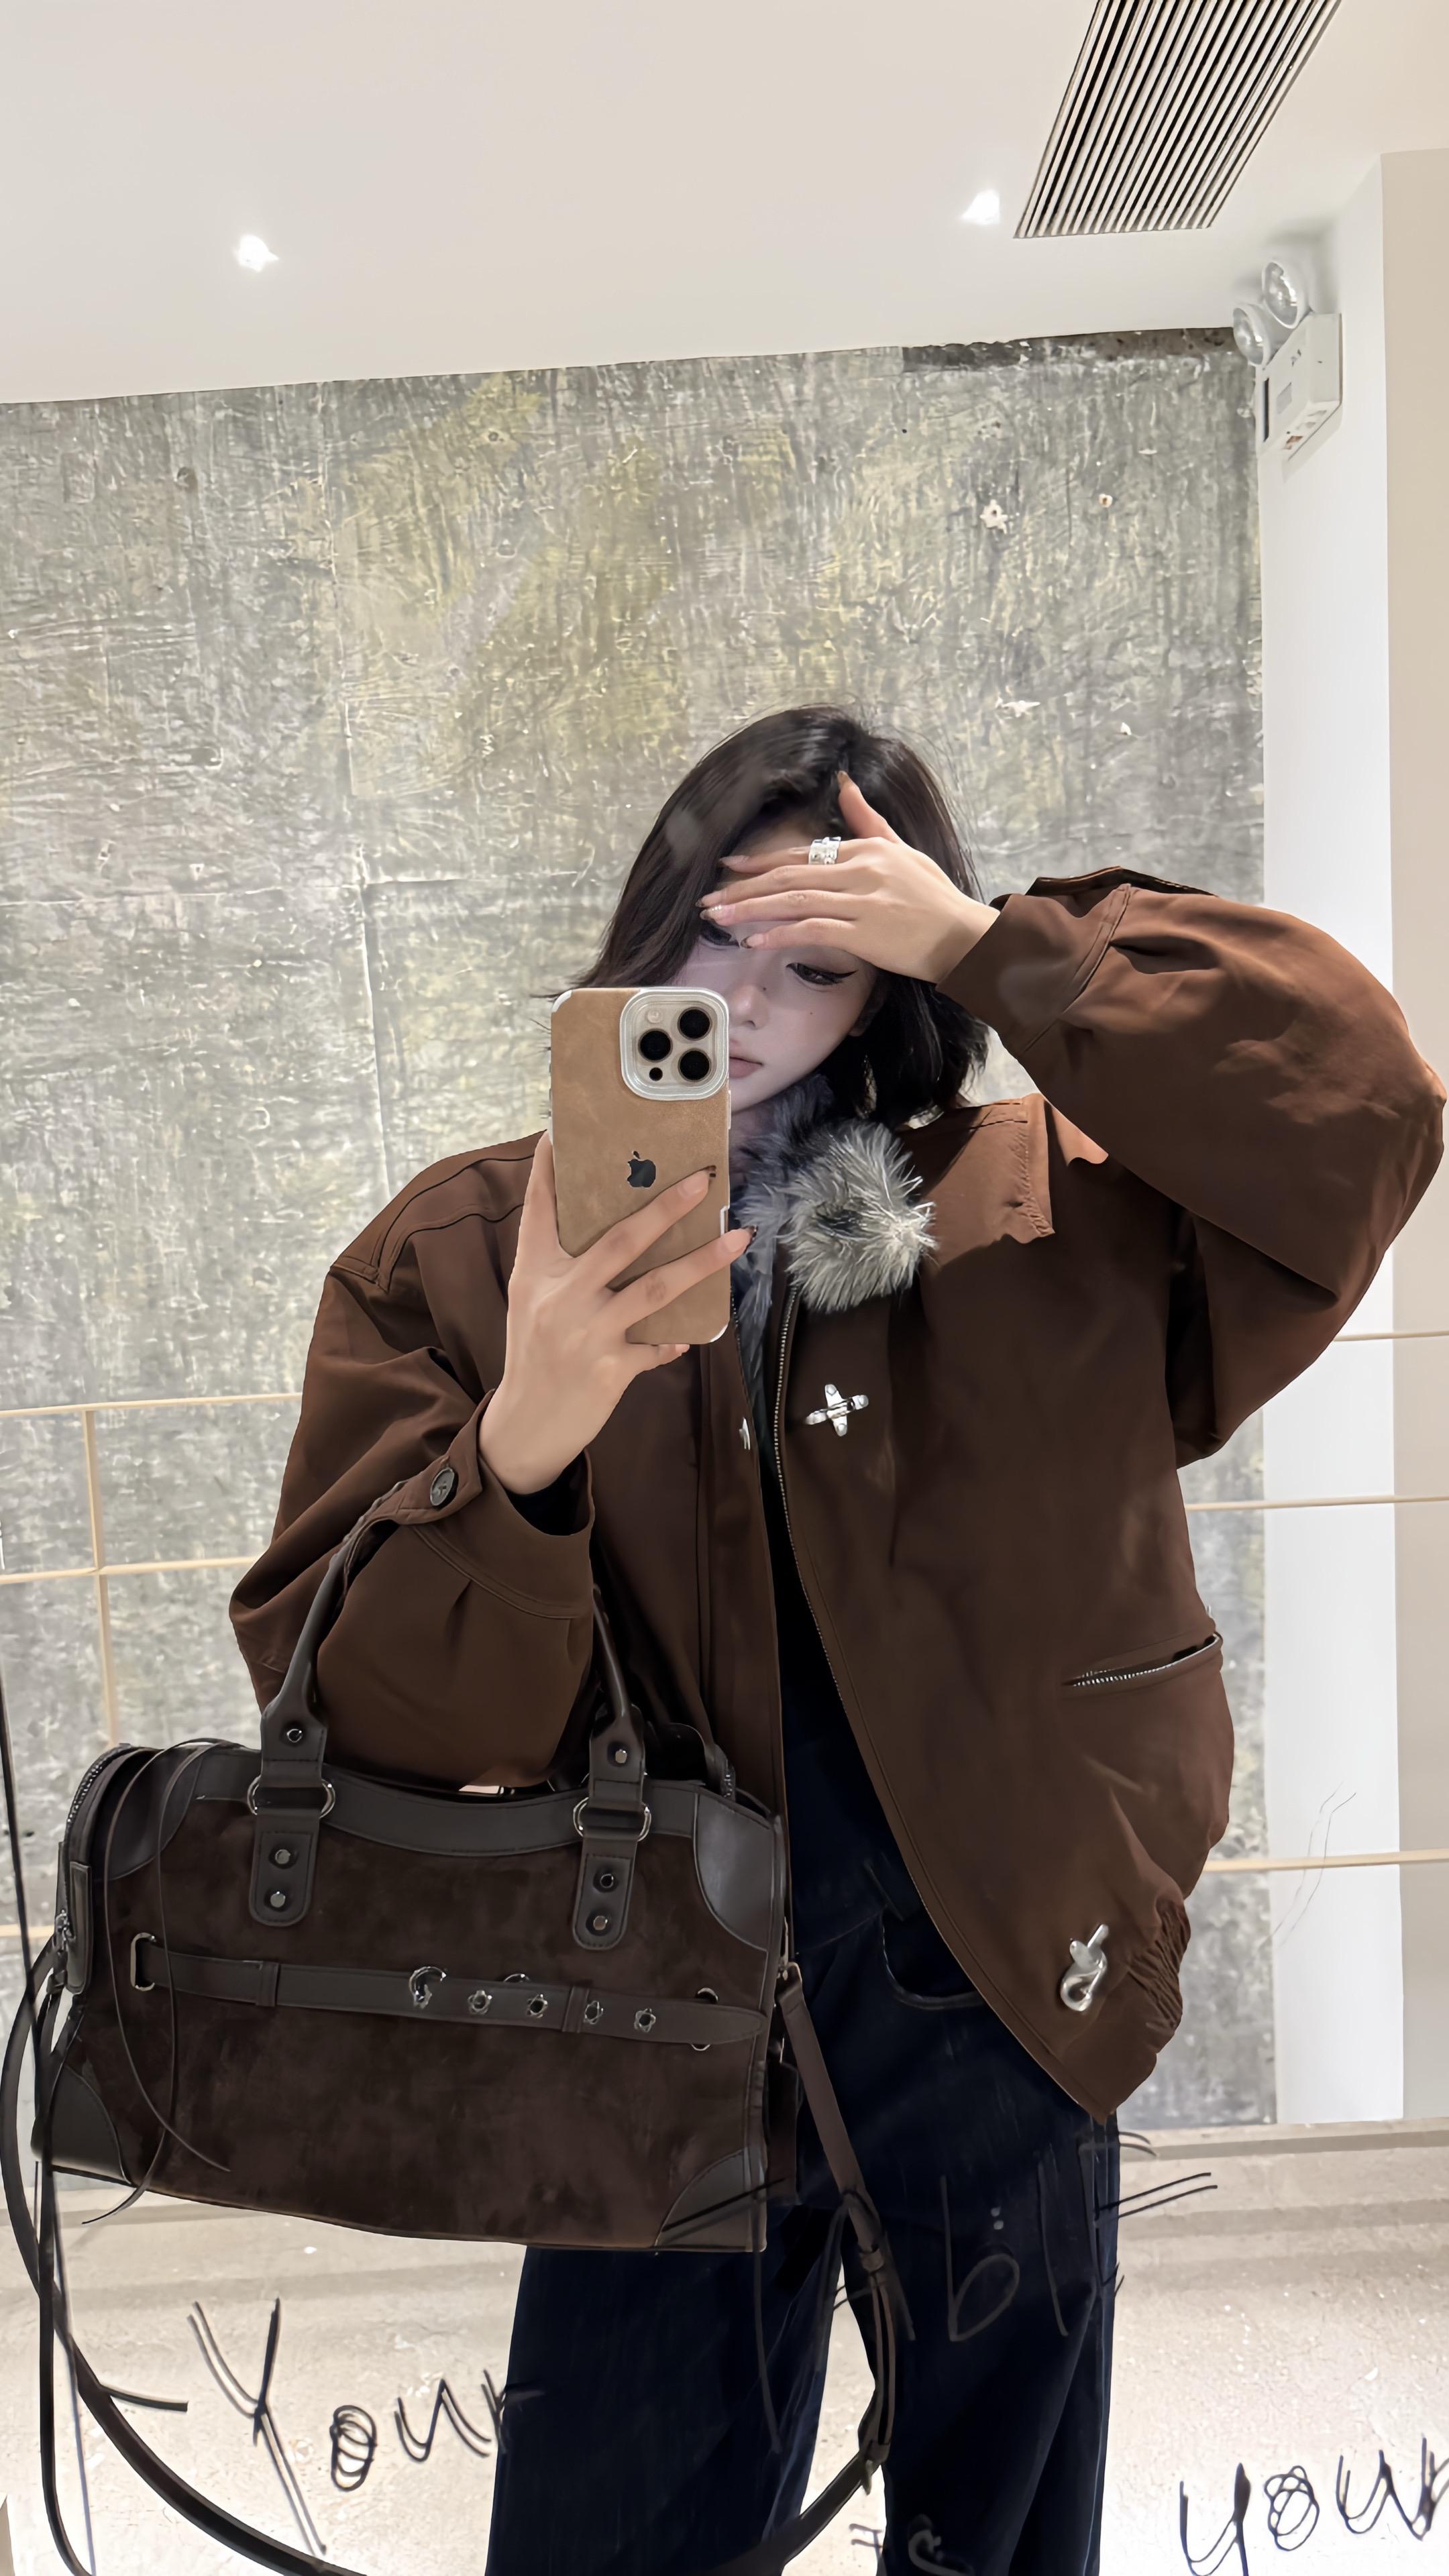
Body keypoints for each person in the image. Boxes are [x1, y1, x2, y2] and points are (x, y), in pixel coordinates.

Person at [229, 706, 1445, 2576]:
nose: (748, 1003)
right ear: (644, 929)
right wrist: (525, 1436)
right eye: (716, 937)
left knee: (999, 2541)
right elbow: (359, 1708)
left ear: (888, 994)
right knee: (604, 2537)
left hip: (999, 1976)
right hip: (635, 2014)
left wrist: (991, 942)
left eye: (822, 959)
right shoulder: (467, 1259)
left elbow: (1361, 1104)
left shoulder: (1041, 1219)